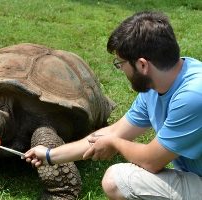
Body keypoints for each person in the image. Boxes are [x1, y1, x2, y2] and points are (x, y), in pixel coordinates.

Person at [24, 11, 202, 200]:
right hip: (194, 177)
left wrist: (115, 144)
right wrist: (50, 155)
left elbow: (151, 161)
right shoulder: (156, 85)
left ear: (142, 65)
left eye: (121, 63)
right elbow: (114, 131)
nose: (121, 69)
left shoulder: (193, 95)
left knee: (117, 180)